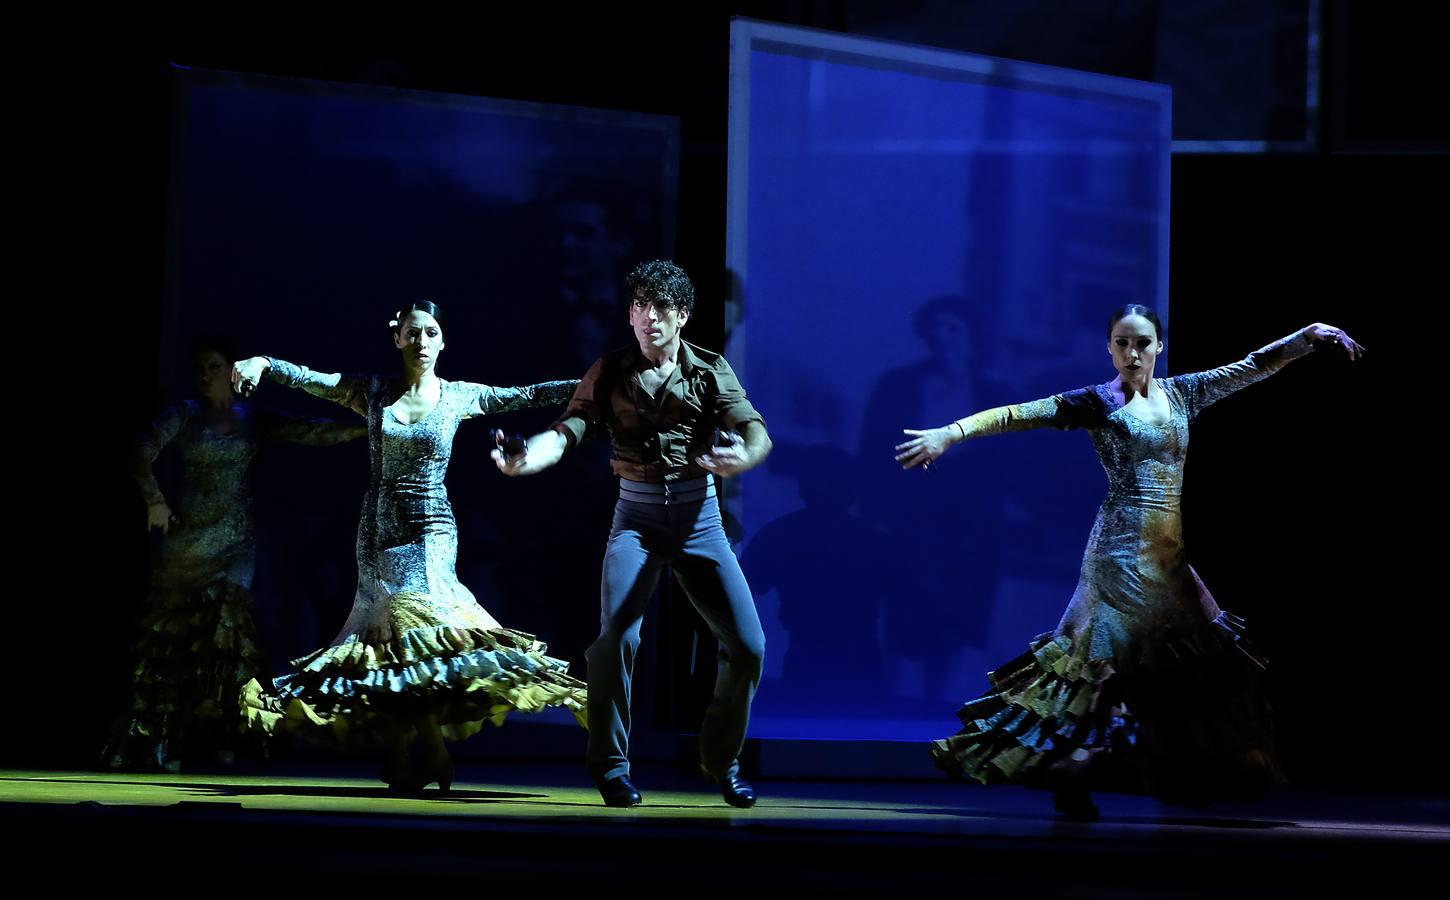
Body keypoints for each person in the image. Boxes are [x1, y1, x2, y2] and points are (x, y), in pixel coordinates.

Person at [895, 306, 1363, 818]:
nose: (1132, 353)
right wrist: (951, 433)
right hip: (1119, 552)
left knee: (1206, 655)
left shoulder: (1184, 393)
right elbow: (1015, 414)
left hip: (1169, 552)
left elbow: (1253, 365)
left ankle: (1103, 769)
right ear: (1110, 348)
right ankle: (1079, 769)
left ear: (1158, 346)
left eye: (1142, 343)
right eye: (1121, 343)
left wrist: (1309, 335)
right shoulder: (1097, 403)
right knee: (1118, 667)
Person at [231, 301, 586, 792]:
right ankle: (401, 754)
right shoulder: (371, 392)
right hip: (376, 534)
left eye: (431, 333)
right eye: (412, 333)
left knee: (416, 630)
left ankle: (431, 752)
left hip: (430, 534)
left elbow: (524, 394)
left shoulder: (459, 395)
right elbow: (313, 379)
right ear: (396, 337)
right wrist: (264, 363)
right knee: (389, 647)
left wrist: (591, 386)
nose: (421, 341)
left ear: (443, 342)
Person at [494, 260, 771, 808]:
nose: (649, 318)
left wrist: (745, 455)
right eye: (640, 307)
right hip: (637, 523)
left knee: (748, 646)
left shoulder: (710, 371)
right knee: (616, 640)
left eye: (661, 308)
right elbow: (566, 431)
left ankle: (721, 760)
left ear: (682, 316)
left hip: (700, 523)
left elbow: (755, 430)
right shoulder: (610, 371)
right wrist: (526, 461)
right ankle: (612, 767)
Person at [107, 336, 366, 771]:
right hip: (187, 544)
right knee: (175, 643)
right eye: (200, 368)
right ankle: (167, 742)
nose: (205, 375)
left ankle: (223, 739)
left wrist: (372, 426)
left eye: (213, 366)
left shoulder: (254, 420)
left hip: (234, 546)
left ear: (232, 370)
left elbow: (311, 431)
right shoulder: (185, 415)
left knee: (225, 638)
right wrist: (153, 498)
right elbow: (139, 452)